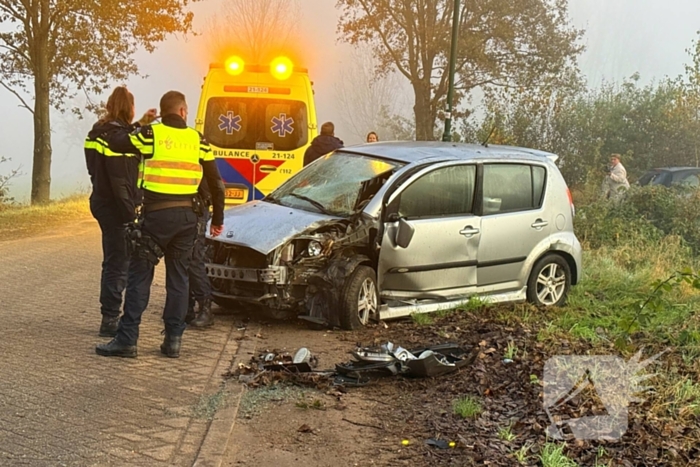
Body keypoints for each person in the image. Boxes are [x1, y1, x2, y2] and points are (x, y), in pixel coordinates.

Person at [96, 90, 225, 359]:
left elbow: (116, 141)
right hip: (187, 220)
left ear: (163, 110)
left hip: (155, 218)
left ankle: (127, 340)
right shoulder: (197, 139)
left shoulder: (150, 134)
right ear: (182, 111)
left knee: (139, 277)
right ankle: (173, 342)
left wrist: (141, 123)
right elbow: (217, 183)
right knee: (179, 280)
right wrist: (218, 219)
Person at [84, 86, 157, 338]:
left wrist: (141, 123)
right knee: (119, 261)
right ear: (129, 108)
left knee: (114, 259)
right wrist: (131, 215)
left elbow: (119, 137)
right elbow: (121, 183)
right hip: (117, 206)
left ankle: (110, 313)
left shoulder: (97, 132)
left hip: (101, 201)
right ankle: (110, 318)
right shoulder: (118, 139)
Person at [186, 177, 215, 328]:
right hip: (180, 208)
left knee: (193, 260)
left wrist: (218, 217)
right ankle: (186, 308)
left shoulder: (198, 154)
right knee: (181, 261)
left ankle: (205, 308)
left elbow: (215, 183)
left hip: (196, 208)